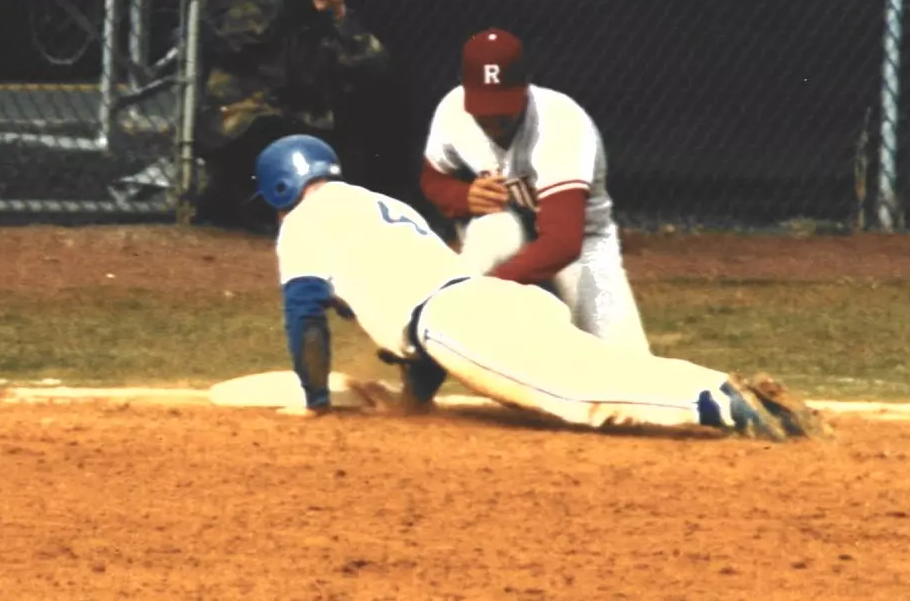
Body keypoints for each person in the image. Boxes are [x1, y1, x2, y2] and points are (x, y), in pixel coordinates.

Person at [257, 133, 828, 440]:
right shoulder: (375, 205)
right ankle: (726, 395)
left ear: (282, 190)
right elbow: (417, 323)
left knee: (578, 393)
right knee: (584, 366)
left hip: (457, 319)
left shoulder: (306, 223)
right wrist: (414, 403)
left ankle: (721, 401)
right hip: (486, 302)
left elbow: (304, 315)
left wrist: (314, 404)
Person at [419, 28, 647, 350]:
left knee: (626, 364)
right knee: (491, 234)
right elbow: (433, 179)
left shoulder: (560, 122)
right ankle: (426, 355)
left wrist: (493, 288)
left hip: (581, 245)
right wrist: (462, 196)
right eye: (484, 108)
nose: (493, 120)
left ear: (526, 87)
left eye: (502, 108)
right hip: (504, 230)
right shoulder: (452, 111)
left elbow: (563, 241)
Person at [194, 0, 390, 231]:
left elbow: (376, 69)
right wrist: (278, 0)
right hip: (247, 117)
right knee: (263, 134)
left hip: (309, 117)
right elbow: (228, 42)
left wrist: (339, 17)